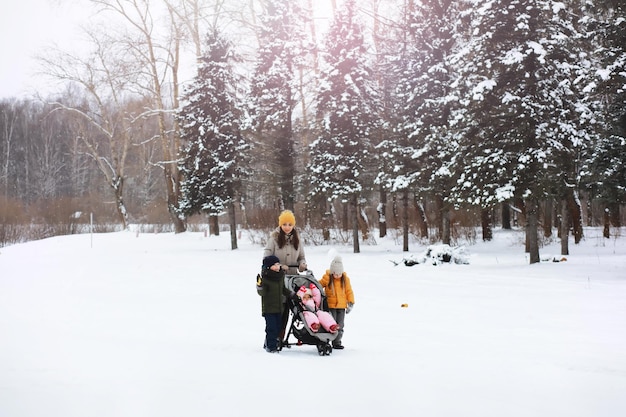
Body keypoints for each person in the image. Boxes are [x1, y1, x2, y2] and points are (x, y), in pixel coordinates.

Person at [256, 255, 293, 353]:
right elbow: (262, 293)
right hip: (269, 308)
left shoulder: (280, 276)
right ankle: (271, 347)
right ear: (268, 267)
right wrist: (260, 286)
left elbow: (283, 289)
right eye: (274, 265)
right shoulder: (265, 278)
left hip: (279, 307)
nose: (277, 267)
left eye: (278, 265)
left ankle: (268, 342)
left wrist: (292, 294)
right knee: (271, 328)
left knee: (278, 327)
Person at [319, 255, 355, 350]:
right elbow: (319, 284)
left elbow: (349, 291)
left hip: (341, 306)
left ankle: (337, 342)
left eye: (339, 274)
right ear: (332, 272)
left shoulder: (345, 279)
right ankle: (326, 340)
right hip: (331, 306)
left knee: (340, 324)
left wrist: (350, 302)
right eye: (335, 274)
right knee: (331, 324)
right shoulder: (327, 278)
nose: (338, 276)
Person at [263, 210, 307, 275]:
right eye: (284, 224)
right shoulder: (273, 239)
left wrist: (302, 264)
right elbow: (266, 259)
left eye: (290, 225)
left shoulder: (297, 240)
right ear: (280, 225)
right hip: (277, 278)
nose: (287, 227)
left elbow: (301, 257)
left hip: (293, 277)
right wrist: (279, 266)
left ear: (293, 225)